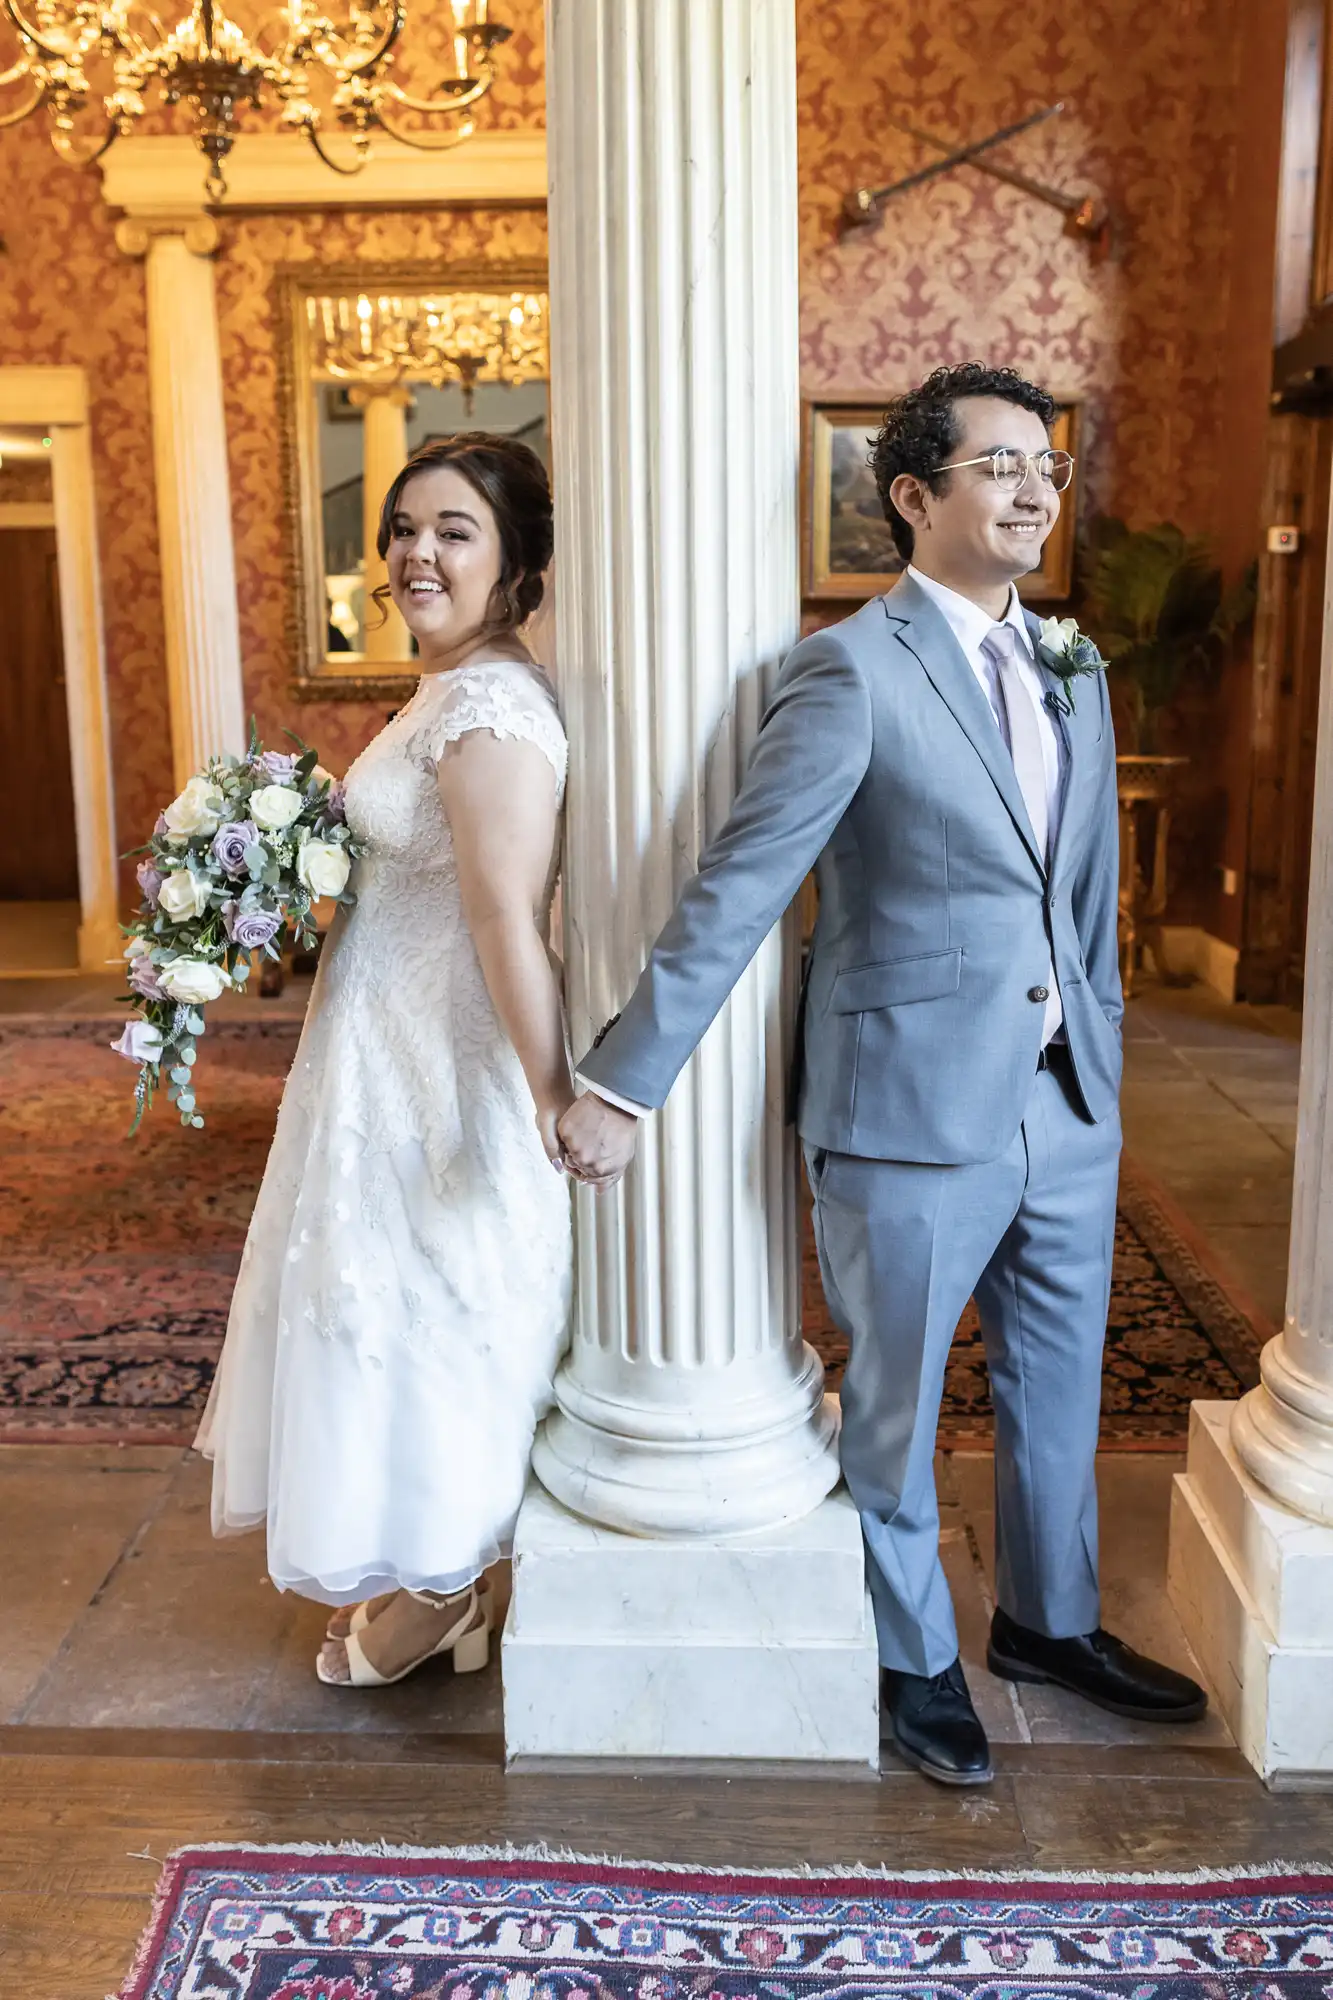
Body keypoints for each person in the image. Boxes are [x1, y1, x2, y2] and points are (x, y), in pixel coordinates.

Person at [557, 363, 1206, 1784]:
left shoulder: (1071, 665)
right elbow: (740, 889)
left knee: (1056, 1386)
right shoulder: (848, 671)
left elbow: (1082, 899)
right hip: (904, 1109)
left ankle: (1051, 1622)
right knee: (901, 1404)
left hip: (1065, 1103)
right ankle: (917, 1658)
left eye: (1045, 463)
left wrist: (1091, 1035)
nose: (1035, 487)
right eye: (998, 466)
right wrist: (620, 1082)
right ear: (914, 498)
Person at [197, 434, 574, 1689]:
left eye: (455, 530)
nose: (417, 551)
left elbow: (504, 916)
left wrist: (550, 1090)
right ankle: (437, 1578)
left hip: (440, 1062)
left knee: (448, 1307)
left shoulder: (491, 708)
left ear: (516, 563)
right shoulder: (441, 690)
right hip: (378, 1049)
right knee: (388, 1313)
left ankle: (448, 1581)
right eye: (404, 528)